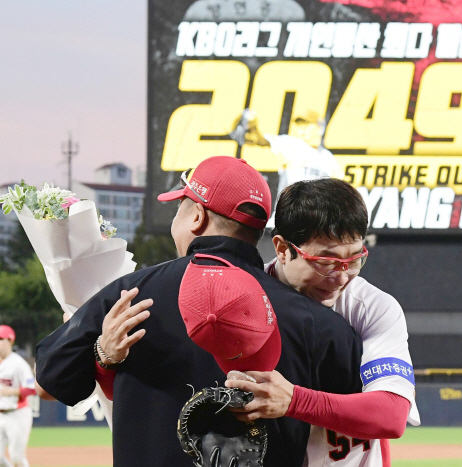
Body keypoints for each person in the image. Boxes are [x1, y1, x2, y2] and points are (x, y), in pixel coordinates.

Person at [34, 156, 362, 467]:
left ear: (196, 216)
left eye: (180, 207)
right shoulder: (322, 325)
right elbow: (350, 431)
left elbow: (50, 384)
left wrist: (102, 353)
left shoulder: (129, 298)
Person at [226, 178, 420, 466]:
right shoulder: (241, 300)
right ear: (281, 248)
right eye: (325, 261)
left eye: (353, 259)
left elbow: (391, 416)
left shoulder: (371, 307)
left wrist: (294, 401)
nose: (340, 277)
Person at [0, 325, 36, 467]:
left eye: (1, 339)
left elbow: (32, 389)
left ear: (10, 341)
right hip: (1, 414)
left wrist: (11, 391)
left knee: (17, 458)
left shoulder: (18, 364)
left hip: (18, 415)